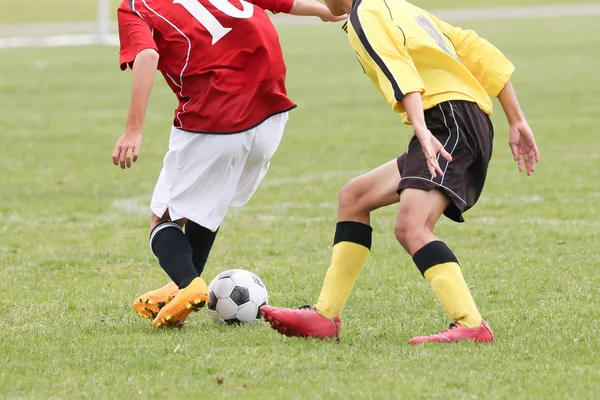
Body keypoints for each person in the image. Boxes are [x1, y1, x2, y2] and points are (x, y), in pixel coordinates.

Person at [261, 0, 540, 344]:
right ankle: (325, 316)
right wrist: (517, 119)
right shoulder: (397, 7)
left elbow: (400, 71)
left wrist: (422, 130)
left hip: (447, 122)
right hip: (455, 119)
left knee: (412, 227)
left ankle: (471, 324)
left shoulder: (366, 14)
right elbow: (474, 48)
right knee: (354, 198)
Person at [113, 0, 345, 328]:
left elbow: (148, 56)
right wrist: (326, 11)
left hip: (216, 115)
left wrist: (133, 129)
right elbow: (282, 3)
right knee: (210, 201)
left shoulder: (136, 6)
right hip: (271, 111)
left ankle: (189, 283)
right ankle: (179, 287)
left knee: (162, 217)